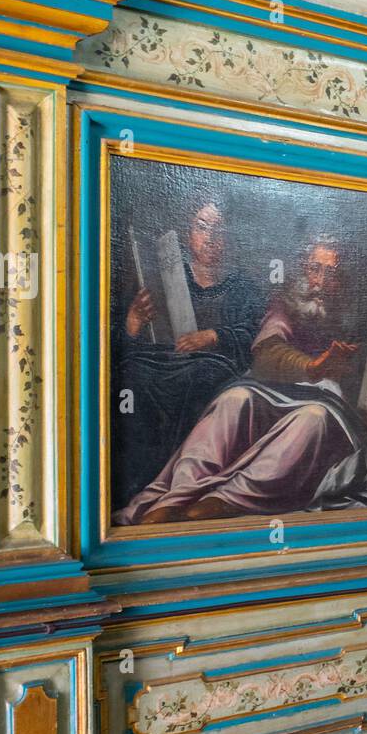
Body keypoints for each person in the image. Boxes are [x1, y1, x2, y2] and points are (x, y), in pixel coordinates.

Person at [116, 237, 367, 524]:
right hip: (278, 390)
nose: (320, 280)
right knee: (234, 398)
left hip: (330, 407)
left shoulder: (357, 316)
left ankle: (225, 500)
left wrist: (338, 367)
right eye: (315, 269)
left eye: (331, 274)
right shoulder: (288, 305)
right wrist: (312, 366)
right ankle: (175, 496)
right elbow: (268, 352)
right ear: (304, 270)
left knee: (313, 418)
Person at [113, 199, 263, 506]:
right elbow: (119, 342)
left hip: (215, 369)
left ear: (229, 237)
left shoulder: (242, 286)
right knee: (135, 378)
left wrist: (212, 336)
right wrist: (133, 321)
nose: (209, 237)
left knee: (199, 377)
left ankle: (182, 487)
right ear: (188, 233)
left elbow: (255, 336)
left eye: (218, 230)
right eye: (201, 227)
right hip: (161, 364)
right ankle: (140, 486)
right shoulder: (163, 277)